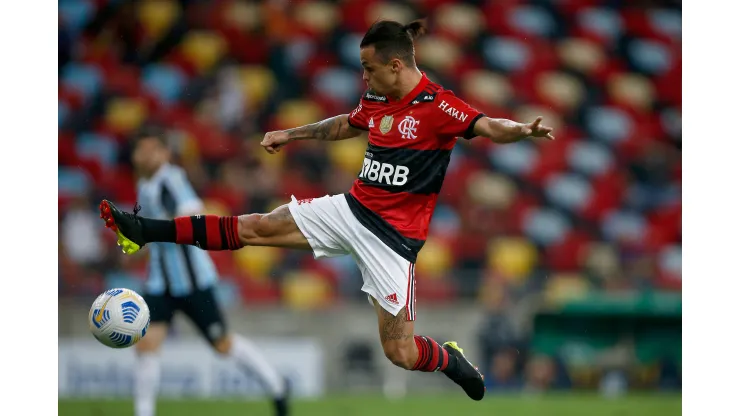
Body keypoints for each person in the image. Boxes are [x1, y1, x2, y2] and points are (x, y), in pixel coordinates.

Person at [99, 19, 554, 401]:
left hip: (393, 242)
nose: (364, 78)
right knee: (257, 226)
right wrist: (292, 134)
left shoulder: (438, 106)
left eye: (369, 69)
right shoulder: (377, 98)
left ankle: (450, 358)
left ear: (396, 65)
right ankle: (143, 229)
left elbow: (490, 125)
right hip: (351, 209)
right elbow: (344, 125)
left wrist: (522, 130)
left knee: (401, 352)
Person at [121, 128, 290, 416]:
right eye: (140, 150)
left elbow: (193, 211)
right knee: (146, 345)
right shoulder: (145, 186)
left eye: (151, 149)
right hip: (160, 283)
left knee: (223, 344)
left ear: (164, 153)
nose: (144, 155)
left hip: (193, 282)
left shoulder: (170, 181)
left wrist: (155, 229)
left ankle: (276, 386)